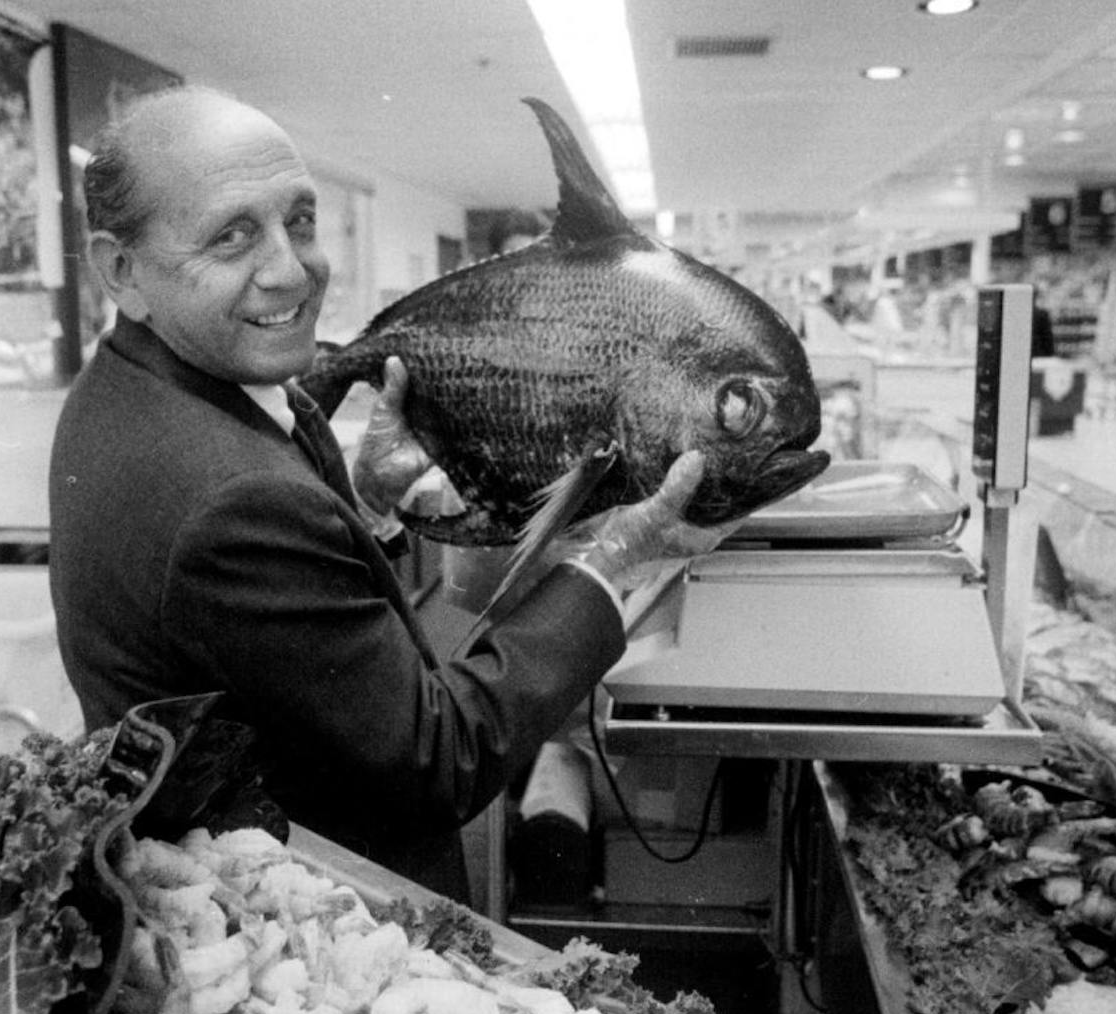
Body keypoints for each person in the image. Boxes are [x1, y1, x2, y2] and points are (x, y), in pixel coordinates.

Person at [48, 86, 732, 902]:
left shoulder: (134, 392)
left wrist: (364, 508)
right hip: (317, 921)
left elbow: (280, 638)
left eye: (299, 220)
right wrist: (614, 558)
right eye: (232, 237)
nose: (290, 268)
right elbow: (444, 759)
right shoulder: (228, 497)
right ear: (119, 269)